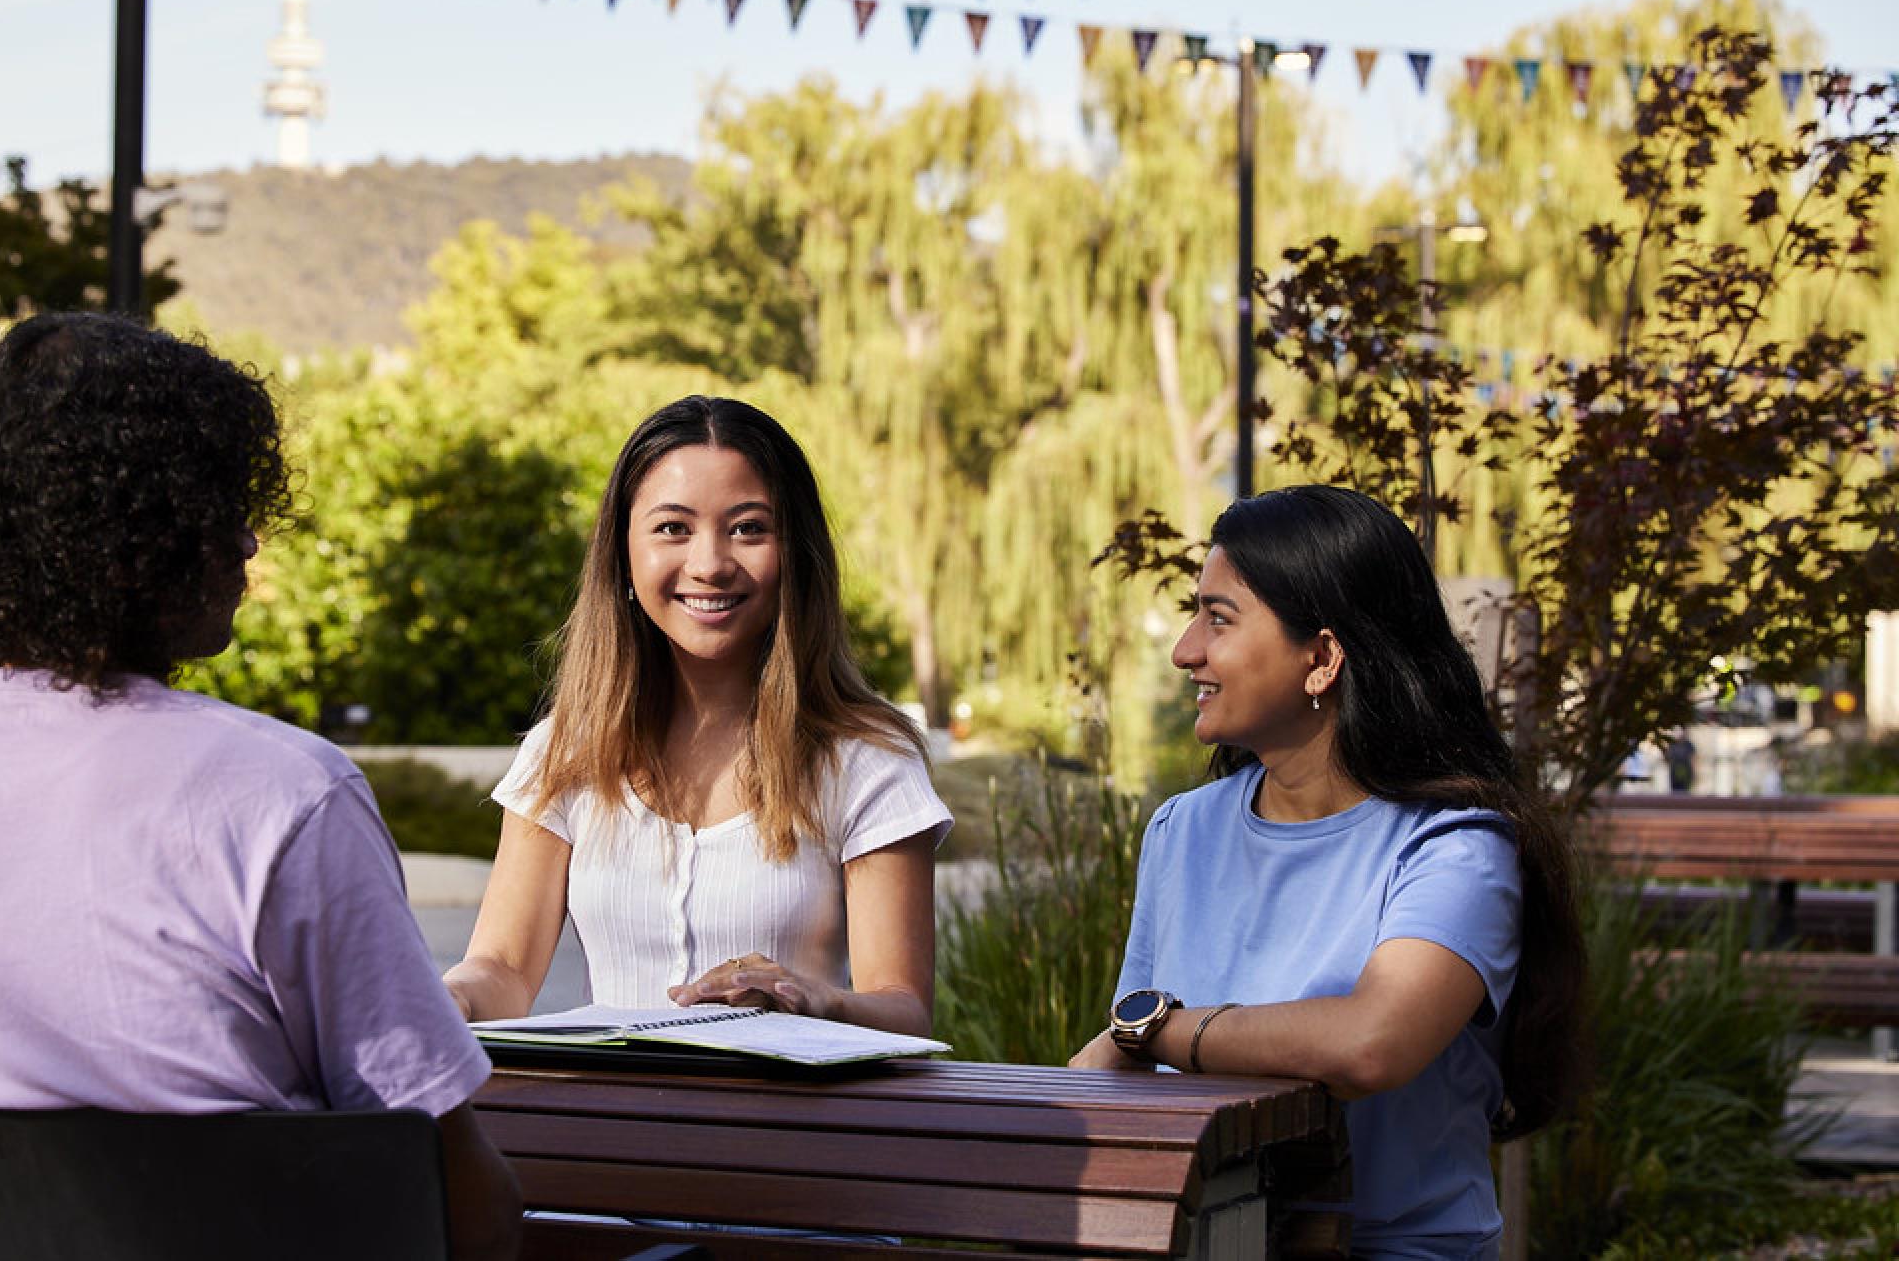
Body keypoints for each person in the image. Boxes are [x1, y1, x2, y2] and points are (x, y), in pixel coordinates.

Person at [0, 313, 519, 1261]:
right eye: (216, 504)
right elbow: (463, 1206)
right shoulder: (286, 801)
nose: (249, 541)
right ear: (144, 527)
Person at [1072, 485, 1586, 1260]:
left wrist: (1161, 1031)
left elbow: (1372, 1041)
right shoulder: (1184, 831)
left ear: (1321, 657)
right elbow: (1125, 1075)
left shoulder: (1457, 849)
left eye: (1219, 618)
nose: (1185, 649)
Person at [445, 396, 950, 1035]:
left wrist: (813, 999)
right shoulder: (563, 751)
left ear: (793, 554)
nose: (710, 563)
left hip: (791, 1131)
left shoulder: (869, 760)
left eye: (748, 529)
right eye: (673, 528)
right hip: (606, 1127)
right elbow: (504, 969)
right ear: (622, 552)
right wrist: (451, 997)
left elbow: (904, 1010)